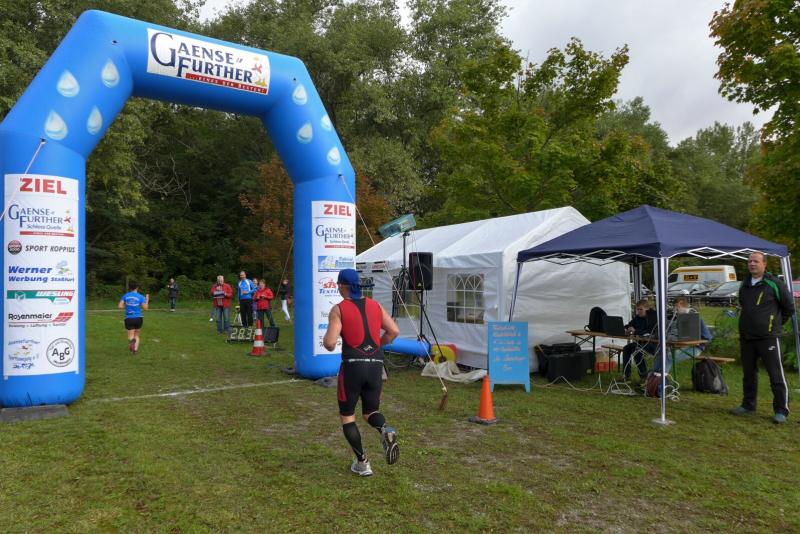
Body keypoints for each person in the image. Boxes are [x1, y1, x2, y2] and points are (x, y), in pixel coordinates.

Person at [323, 269, 400, 477]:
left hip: (353, 366)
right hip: (376, 365)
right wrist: (378, 345)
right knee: (370, 412)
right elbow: (394, 331)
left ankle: (362, 462)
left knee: (348, 416)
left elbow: (330, 343)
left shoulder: (339, 309)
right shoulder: (375, 305)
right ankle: (384, 429)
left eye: (338, 285)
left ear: (343, 286)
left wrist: (330, 337)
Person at [731, 252, 795, 424]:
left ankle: (781, 410)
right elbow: (744, 306)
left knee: (776, 374)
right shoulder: (745, 284)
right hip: (747, 337)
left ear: (764, 264)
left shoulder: (774, 284)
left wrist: (773, 324)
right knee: (748, 373)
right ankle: (748, 405)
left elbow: (789, 307)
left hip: (768, 338)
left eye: (756, 261)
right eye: (750, 261)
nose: (752, 264)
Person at [652, 296, 712, 374]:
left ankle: (662, 377)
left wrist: (698, 341)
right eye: (674, 307)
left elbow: (707, 337)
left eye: (677, 306)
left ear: (682, 305)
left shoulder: (694, 316)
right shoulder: (678, 317)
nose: (675, 309)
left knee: (670, 357)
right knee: (661, 354)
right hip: (680, 346)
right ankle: (654, 375)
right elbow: (677, 334)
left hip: (695, 348)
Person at [620, 299, 656, 382]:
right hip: (641, 342)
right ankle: (626, 375)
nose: (639, 311)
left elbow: (650, 332)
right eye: (637, 309)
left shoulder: (653, 317)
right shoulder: (638, 317)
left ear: (647, 309)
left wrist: (635, 331)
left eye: (641, 309)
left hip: (653, 344)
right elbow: (629, 324)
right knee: (627, 348)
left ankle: (644, 376)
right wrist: (627, 328)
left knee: (636, 350)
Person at [118, 280, 149, 354]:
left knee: (130, 336)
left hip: (129, 318)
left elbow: (120, 306)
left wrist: (126, 304)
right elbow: (146, 309)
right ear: (137, 287)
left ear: (129, 288)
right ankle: (135, 350)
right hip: (139, 318)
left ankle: (132, 341)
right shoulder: (140, 296)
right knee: (137, 335)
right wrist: (147, 300)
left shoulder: (125, 296)